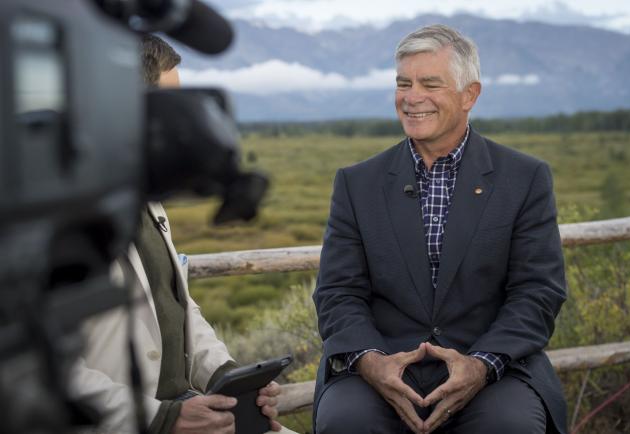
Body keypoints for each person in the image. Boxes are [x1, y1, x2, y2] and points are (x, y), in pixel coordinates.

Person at [313, 24, 567, 434]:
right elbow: (337, 291)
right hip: (381, 369)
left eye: (430, 83)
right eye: (403, 83)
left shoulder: (525, 178)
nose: (412, 98)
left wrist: (482, 365)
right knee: (346, 421)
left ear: (470, 95)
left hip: (493, 370)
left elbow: (538, 290)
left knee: (511, 425)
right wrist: (371, 361)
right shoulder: (356, 183)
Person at [71, 35, 294, 434]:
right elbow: (35, 372)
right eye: (169, 107)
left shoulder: (147, 199)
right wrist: (164, 419)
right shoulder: (55, 212)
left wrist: (229, 378)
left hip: (188, 408)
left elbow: (178, 306)